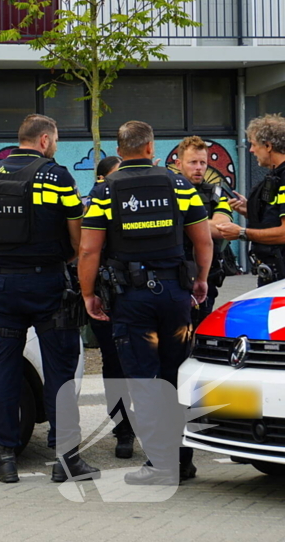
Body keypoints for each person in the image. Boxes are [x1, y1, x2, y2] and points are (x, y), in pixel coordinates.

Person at [79, 120, 212, 486]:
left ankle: (160, 466)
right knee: (176, 376)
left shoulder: (105, 191)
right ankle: (182, 461)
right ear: (151, 148)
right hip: (174, 296)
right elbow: (203, 241)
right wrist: (200, 280)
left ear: (118, 151)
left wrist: (88, 294)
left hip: (131, 299)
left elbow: (88, 250)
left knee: (144, 381)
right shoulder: (179, 185)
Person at [0, 113, 98, 485]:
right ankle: (66, 460)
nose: (55, 146)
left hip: (1, 286)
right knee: (59, 371)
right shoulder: (57, 177)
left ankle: (4, 460)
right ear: (44, 140)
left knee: (4, 371)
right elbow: (78, 239)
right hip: (47, 286)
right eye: (55, 140)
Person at [83, 156, 137, 459]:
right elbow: (87, 250)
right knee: (114, 366)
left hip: (138, 294)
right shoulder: (95, 203)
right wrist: (90, 293)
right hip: (108, 296)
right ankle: (123, 429)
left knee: (142, 365)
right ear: (103, 179)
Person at [173, 136, 234, 326]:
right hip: (173, 276)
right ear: (179, 164)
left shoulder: (215, 193)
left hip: (206, 277)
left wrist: (182, 222)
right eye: (192, 162)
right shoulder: (168, 191)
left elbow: (222, 228)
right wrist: (204, 225)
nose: (199, 168)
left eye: (203, 163)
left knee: (200, 331)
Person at [220, 115, 285, 286]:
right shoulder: (276, 176)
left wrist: (242, 233)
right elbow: (274, 218)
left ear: (268, 146)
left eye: (254, 144)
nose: (250, 150)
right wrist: (249, 210)